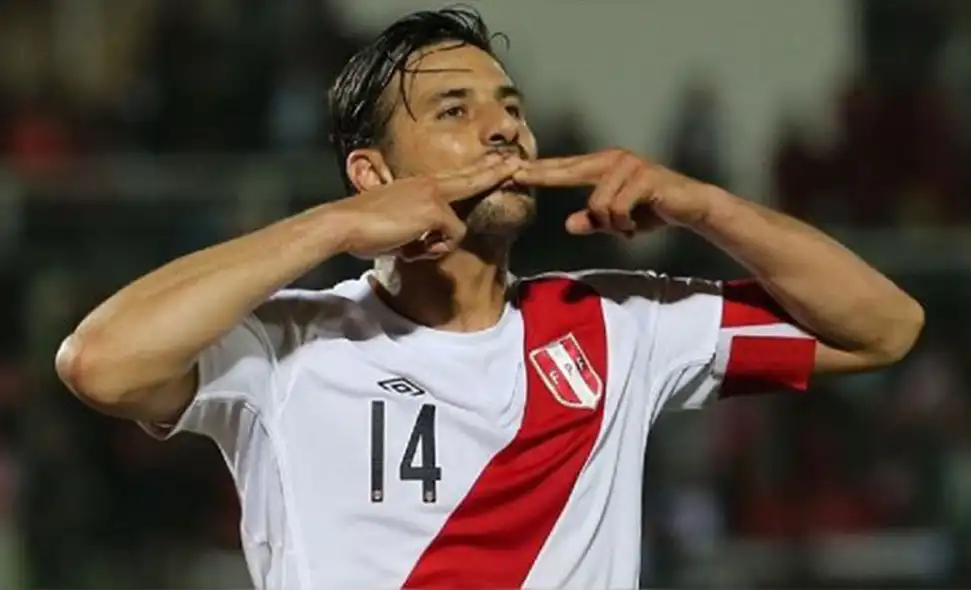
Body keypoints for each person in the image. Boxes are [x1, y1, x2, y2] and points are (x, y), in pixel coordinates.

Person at [54, 8, 924, 589]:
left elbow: (886, 328)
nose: (504, 127)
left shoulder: (619, 325)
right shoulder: (288, 347)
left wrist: (702, 205)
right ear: (375, 173)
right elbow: (99, 362)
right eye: (455, 111)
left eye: (509, 105)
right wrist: (332, 228)